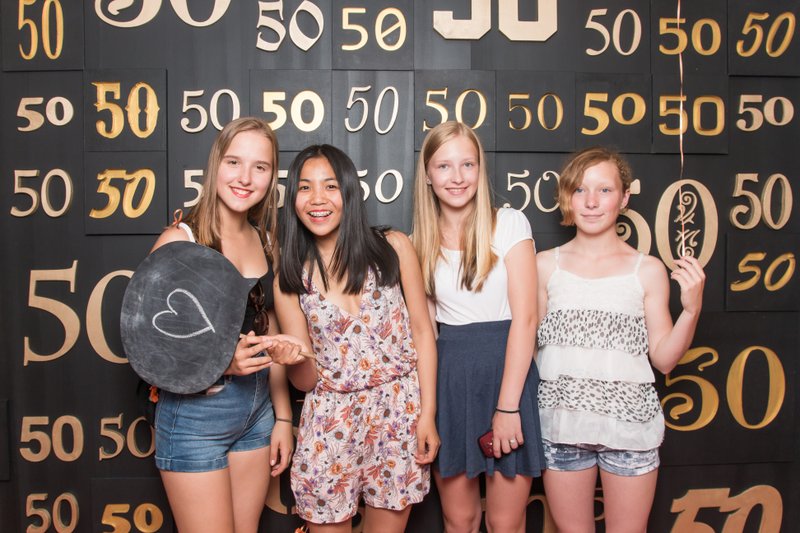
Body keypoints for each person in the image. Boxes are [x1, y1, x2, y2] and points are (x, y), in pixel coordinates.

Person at [269, 144, 439, 533]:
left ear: (348, 191)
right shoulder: (290, 280)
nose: (317, 199)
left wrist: (427, 414)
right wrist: (292, 358)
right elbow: (306, 381)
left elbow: (422, 333)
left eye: (330, 186)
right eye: (305, 187)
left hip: (398, 416)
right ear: (293, 198)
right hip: (330, 424)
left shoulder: (393, 247)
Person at [536, 147, 705, 532]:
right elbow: (528, 351)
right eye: (580, 190)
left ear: (624, 198)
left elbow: (664, 359)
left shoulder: (647, 270)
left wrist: (691, 311)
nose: (591, 202)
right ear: (567, 197)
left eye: (605, 190)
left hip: (630, 430)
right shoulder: (544, 265)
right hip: (560, 428)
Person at [148, 117, 294, 532]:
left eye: (260, 167)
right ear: (216, 164)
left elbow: (270, 337)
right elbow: (149, 347)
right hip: (196, 416)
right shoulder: (180, 240)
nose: (245, 178)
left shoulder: (266, 241)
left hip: (257, 411)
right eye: (234, 162)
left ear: (271, 176)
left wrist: (283, 417)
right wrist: (223, 363)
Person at [411, 121, 545, 533]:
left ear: (480, 168)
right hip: (450, 381)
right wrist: (428, 411)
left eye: (467, 164)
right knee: (460, 519)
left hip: (508, 375)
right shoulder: (419, 242)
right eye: (444, 166)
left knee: (505, 523)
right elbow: (426, 334)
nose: (457, 177)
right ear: (428, 175)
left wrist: (508, 407)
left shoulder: (510, 224)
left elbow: (526, 319)